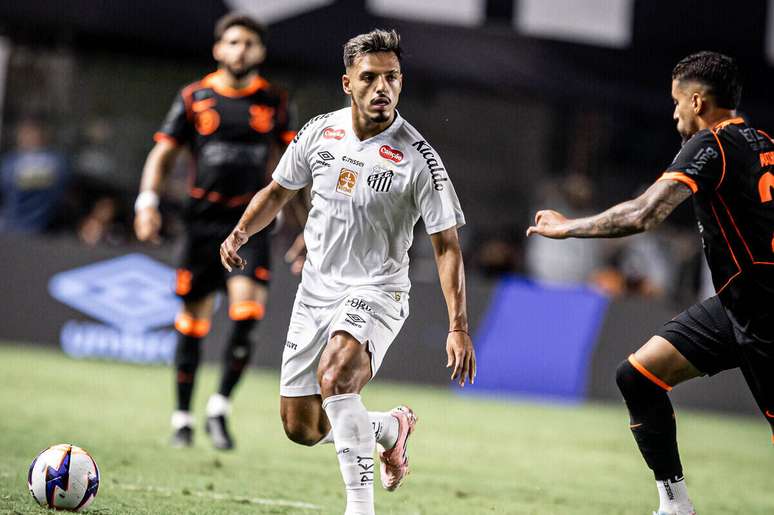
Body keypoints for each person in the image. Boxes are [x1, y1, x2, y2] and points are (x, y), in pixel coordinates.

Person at [220, 29, 475, 515]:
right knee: (302, 427)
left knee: (336, 378)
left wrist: (458, 326)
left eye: (393, 77)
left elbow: (446, 246)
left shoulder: (420, 160)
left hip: (377, 290)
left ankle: (360, 508)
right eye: (371, 77)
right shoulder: (319, 131)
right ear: (347, 83)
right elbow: (279, 191)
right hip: (315, 290)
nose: (383, 88)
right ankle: (387, 429)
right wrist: (239, 233)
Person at [527, 51, 773, 515]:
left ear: (698, 101)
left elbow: (646, 213)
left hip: (763, 314)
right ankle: (675, 506)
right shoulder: (763, 142)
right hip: (734, 304)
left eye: (677, 101)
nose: (674, 111)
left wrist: (567, 227)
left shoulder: (711, 144)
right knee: (638, 377)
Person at [134, 12, 296, 450]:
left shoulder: (276, 102)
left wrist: (308, 225)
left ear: (260, 51)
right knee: (192, 323)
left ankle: (219, 408)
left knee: (247, 313)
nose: (241, 50)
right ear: (218, 49)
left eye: (249, 43)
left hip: (251, 226)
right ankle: (183, 419)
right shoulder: (194, 97)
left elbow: (296, 170)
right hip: (201, 226)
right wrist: (146, 201)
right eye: (233, 42)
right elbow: (163, 154)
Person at [0, 118, 69, 234]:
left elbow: (6, 188)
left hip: (20, 229)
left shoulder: (12, 162)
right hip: (36, 231)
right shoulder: (58, 163)